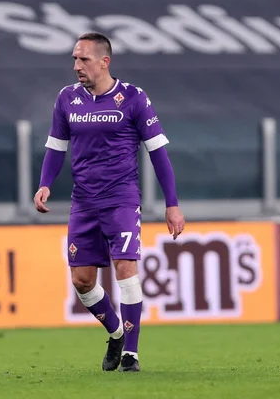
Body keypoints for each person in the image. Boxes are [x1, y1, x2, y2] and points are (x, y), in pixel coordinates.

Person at [33, 32, 185, 372]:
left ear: (105, 62)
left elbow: (158, 153)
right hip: (83, 202)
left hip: (121, 199)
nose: (76, 66)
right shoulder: (67, 99)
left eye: (83, 59)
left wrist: (172, 203)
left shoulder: (133, 98)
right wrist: (45, 184)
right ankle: (116, 333)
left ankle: (131, 352)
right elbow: (56, 147)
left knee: (126, 269)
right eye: (74, 59)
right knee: (82, 281)